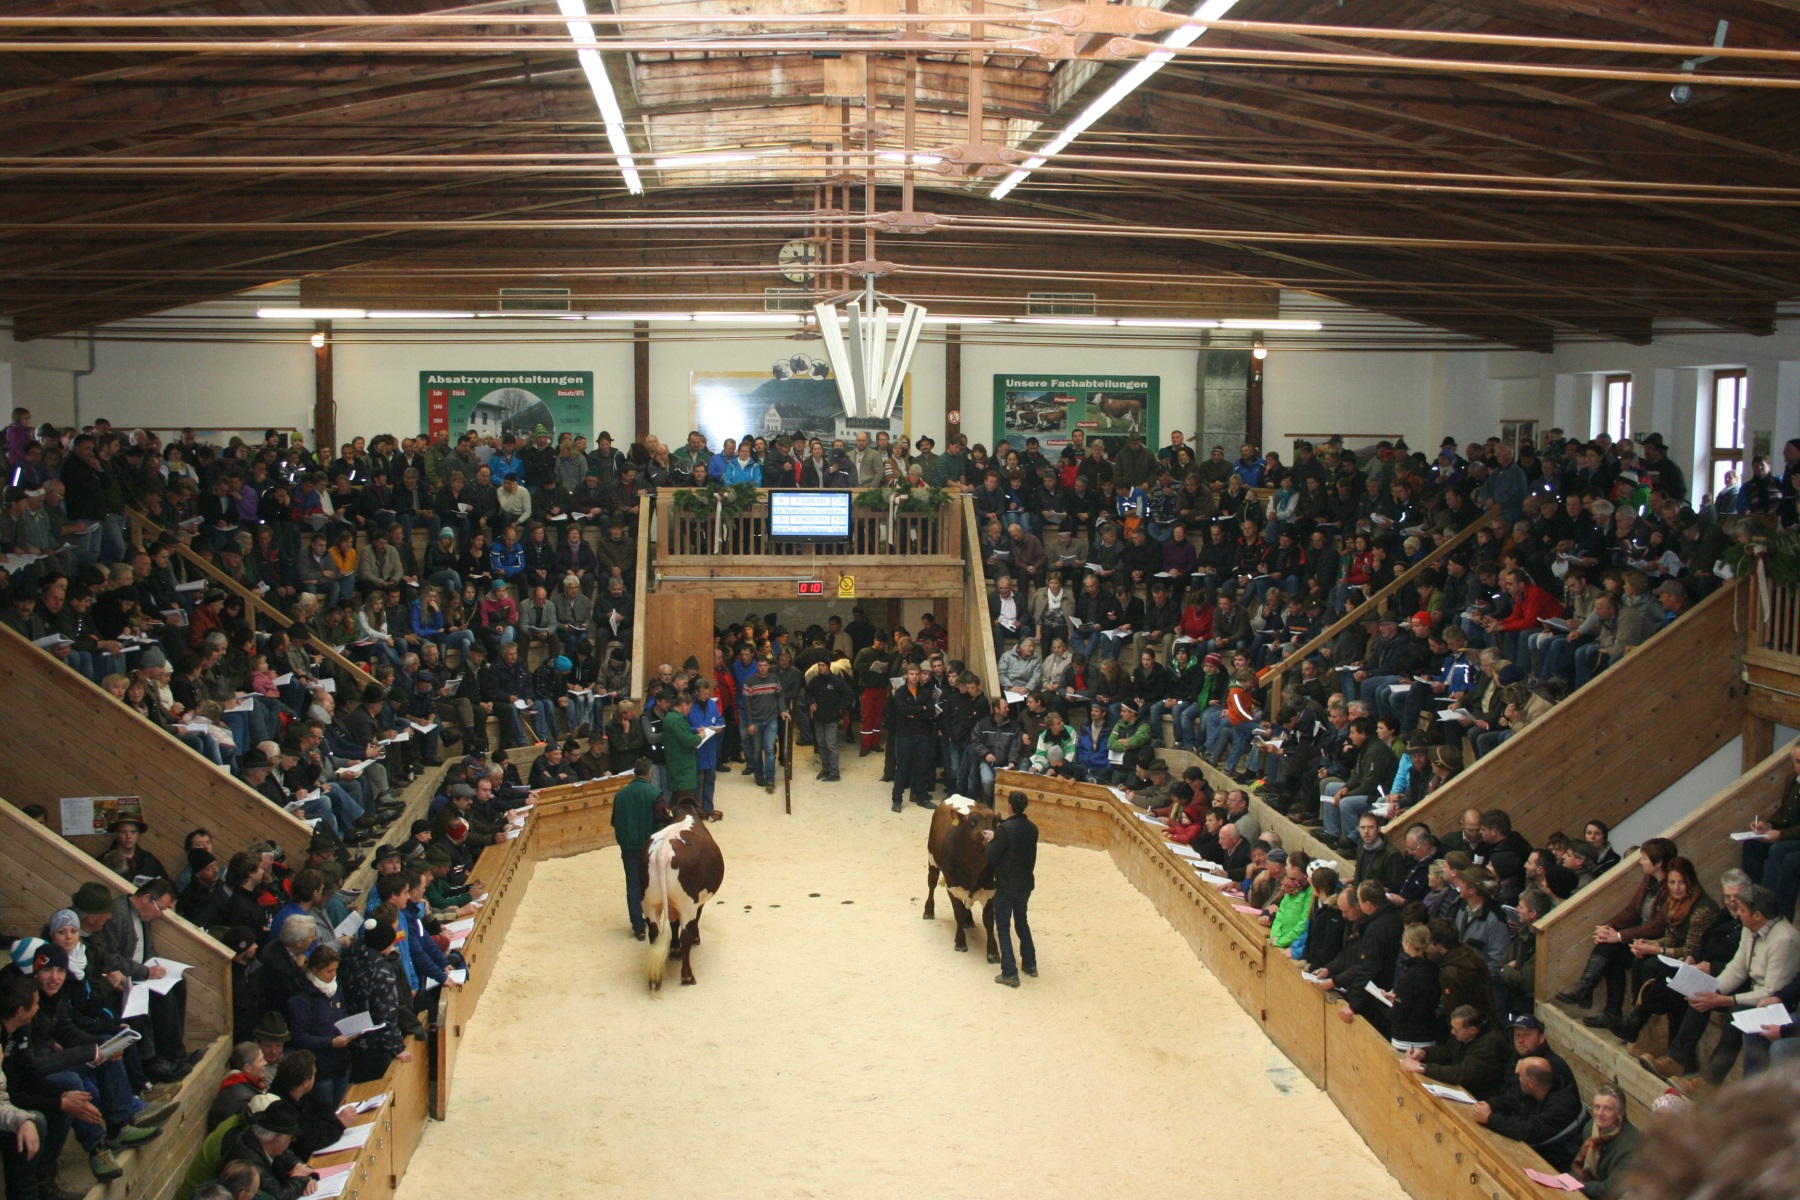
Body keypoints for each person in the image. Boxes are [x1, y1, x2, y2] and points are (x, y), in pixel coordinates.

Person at [984, 791, 1039, 987]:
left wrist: (993, 839)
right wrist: (997, 836)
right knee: (1022, 922)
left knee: (1003, 927)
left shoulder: (1005, 829)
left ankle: (1009, 972)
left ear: (1009, 806)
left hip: (1007, 884)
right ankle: (1030, 964)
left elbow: (991, 856)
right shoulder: (1032, 829)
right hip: (1025, 884)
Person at [612, 759, 659, 941]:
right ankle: (653, 920)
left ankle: (638, 927)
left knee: (633, 885)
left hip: (628, 847)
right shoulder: (654, 793)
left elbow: (615, 821)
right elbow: (662, 817)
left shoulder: (620, 795)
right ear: (649, 773)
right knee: (652, 883)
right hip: (649, 848)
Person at [1565, 1084, 1641, 1198]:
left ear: (1620, 1113)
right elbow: (1579, 1170)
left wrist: (1578, 1185)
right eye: (1597, 1107)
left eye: (1607, 1109)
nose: (1600, 1114)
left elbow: (1610, 1190)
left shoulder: (1631, 1146)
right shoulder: (1591, 1128)